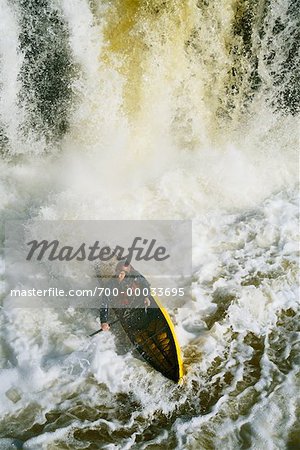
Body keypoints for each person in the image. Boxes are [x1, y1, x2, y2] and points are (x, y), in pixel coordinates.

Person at [99, 261, 152, 331]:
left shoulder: (135, 275)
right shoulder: (110, 285)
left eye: (121, 274)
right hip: (125, 303)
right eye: (118, 273)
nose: (119, 276)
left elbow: (146, 284)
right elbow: (104, 303)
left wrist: (146, 297)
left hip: (138, 299)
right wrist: (104, 321)